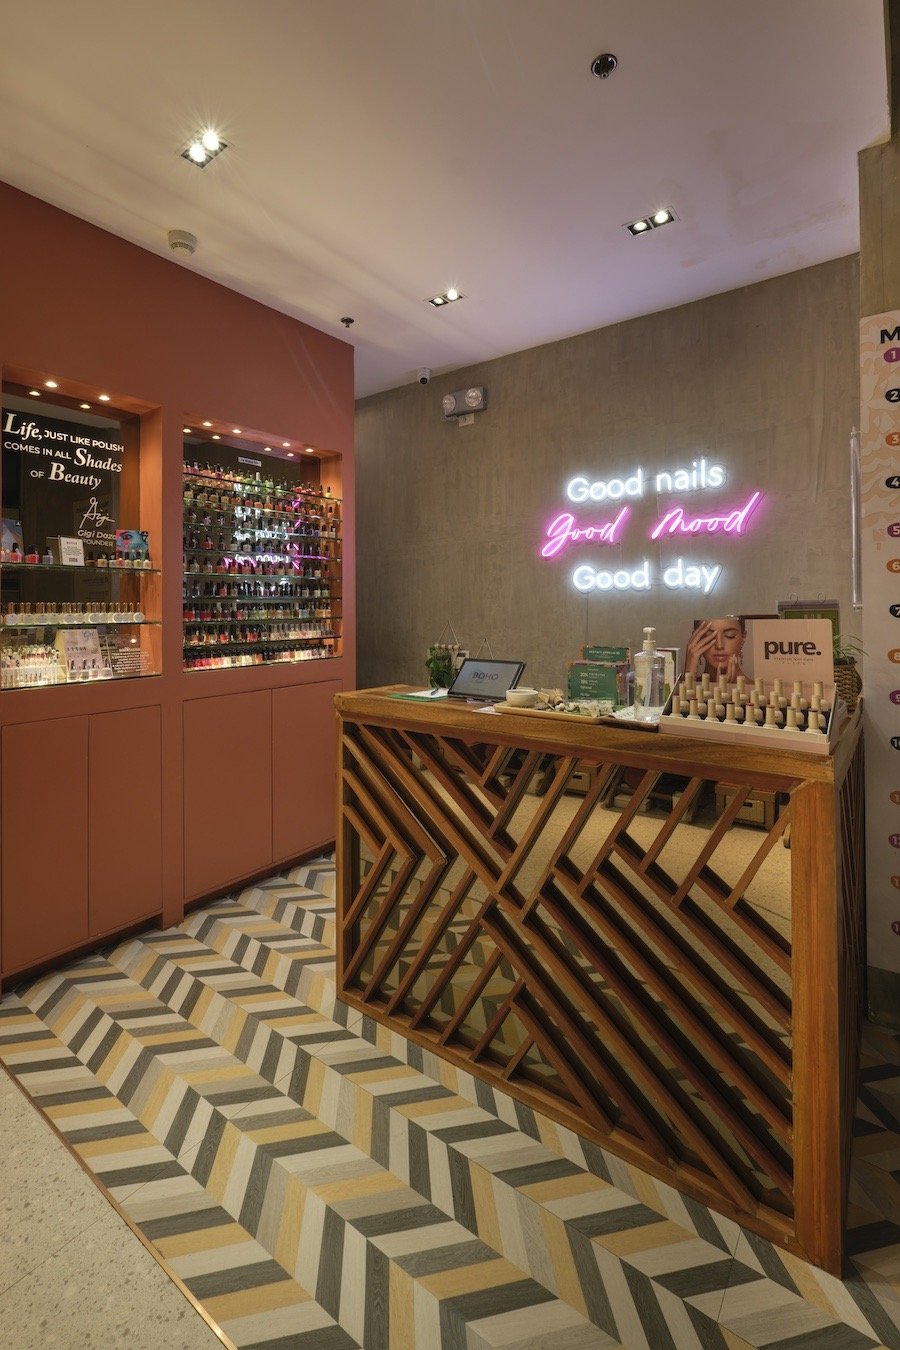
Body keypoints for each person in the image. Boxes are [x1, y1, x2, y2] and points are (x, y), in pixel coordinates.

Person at [684, 615, 747, 682]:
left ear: (743, 637)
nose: (719, 646)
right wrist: (689, 675)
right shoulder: (684, 685)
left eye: (730, 635)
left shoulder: (754, 687)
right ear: (696, 639)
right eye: (709, 636)